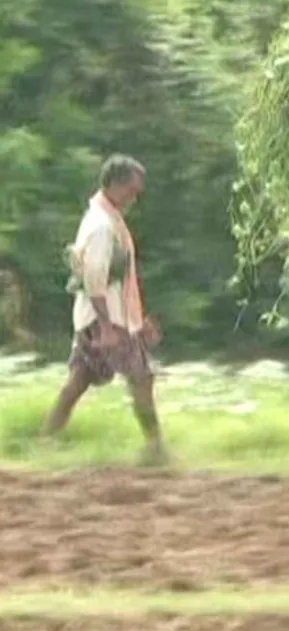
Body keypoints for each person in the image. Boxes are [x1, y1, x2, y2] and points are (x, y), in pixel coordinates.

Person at [46, 154, 167, 464]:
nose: (134, 198)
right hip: (107, 322)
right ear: (114, 184)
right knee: (140, 378)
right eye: (131, 190)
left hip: (106, 320)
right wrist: (107, 327)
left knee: (80, 382)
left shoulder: (105, 218)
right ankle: (156, 448)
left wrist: (137, 323)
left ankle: (45, 440)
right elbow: (94, 278)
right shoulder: (102, 226)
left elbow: (116, 281)